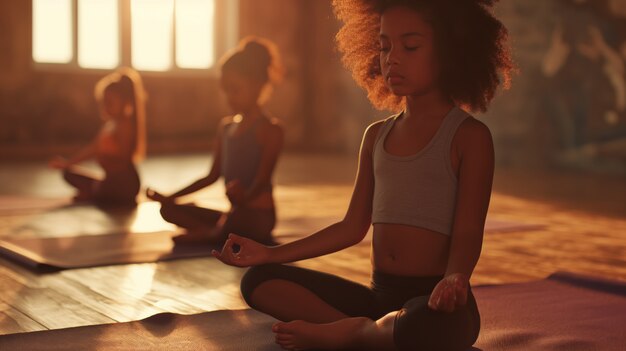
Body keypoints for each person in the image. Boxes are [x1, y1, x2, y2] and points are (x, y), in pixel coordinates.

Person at [213, 1, 513, 350]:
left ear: (450, 50)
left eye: (410, 46)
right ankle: (366, 331)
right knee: (259, 281)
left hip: (435, 301)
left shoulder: (470, 137)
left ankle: (361, 335)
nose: (392, 58)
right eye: (384, 46)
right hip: (378, 297)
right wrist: (268, 254)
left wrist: (456, 277)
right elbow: (351, 227)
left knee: (430, 325)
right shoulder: (376, 136)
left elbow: (468, 231)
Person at [147, 37, 284, 246]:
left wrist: (244, 198)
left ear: (257, 86)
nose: (229, 97)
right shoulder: (226, 128)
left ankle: (212, 234)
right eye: (226, 90)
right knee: (168, 210)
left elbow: (262, 181)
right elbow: (211, 176)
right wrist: (169, 197)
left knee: (237, 221)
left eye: (235, 89)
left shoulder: (271, 130)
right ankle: (215, 231)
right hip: (235, 212)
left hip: (257, 216)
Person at [49, 67, 146, 207]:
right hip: (108, 180)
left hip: (124, 183)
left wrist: (105, 158)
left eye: (110, 102)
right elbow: (92, 149)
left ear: (124, 101)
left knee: (102, 188)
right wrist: (67, 163)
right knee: (68, 174)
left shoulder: (125, 125)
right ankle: (94, 191)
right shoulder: (109, 125)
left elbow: (123, 160)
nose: (106, 106)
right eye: (104, 102)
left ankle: (95, 192)